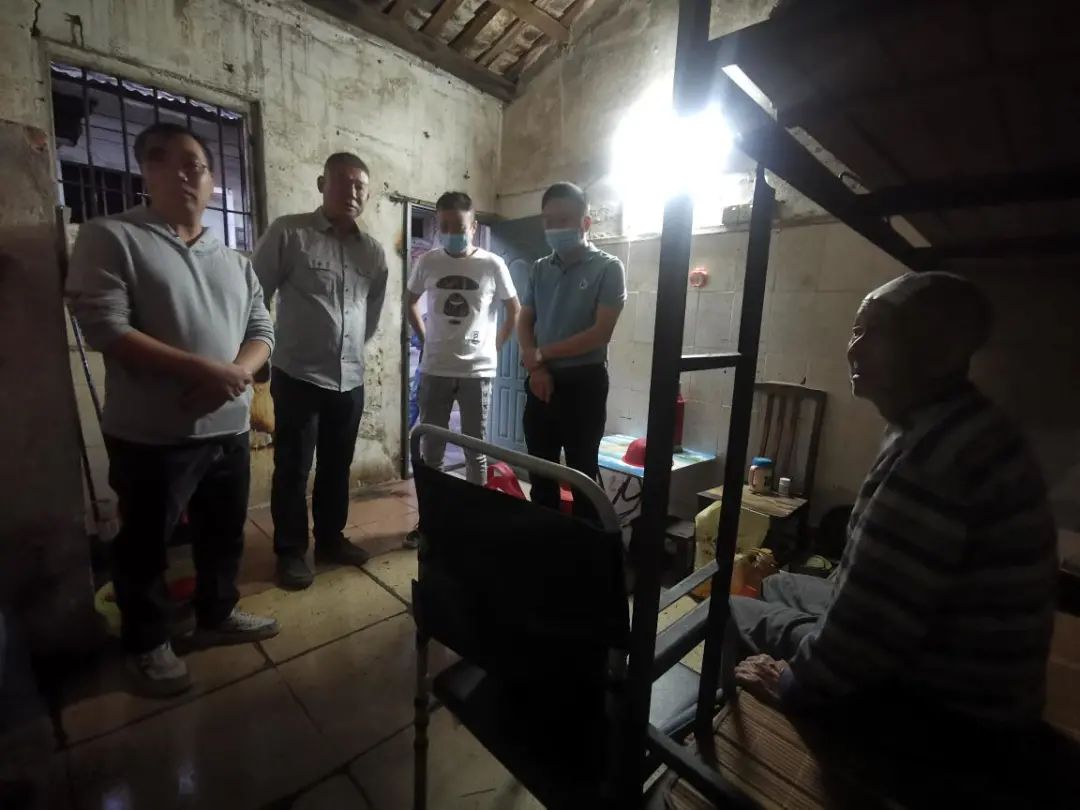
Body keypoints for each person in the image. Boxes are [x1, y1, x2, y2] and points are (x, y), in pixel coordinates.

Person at [731, 271, 1058, 732]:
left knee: (726, 608)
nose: (855, 349)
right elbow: (876, 596)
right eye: (857, 330)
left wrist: (791, 683)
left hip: (952, 707)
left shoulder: (933, 458)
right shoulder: (960, 422)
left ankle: (701, 745)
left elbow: (867, 635)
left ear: (940, 352)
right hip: (962, 663)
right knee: (775, 583)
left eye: (880, 332)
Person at [67, 122, 279, 697]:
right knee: (144, 546)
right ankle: (147, 642)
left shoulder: (233, 260)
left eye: (195, 164)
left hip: (228, 428)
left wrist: (234, 374)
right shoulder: (112, 237)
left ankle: (217, 614)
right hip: (151, 436)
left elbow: (262, 329)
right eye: (164, 160)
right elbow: (105, 328)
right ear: (146, 171)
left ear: (211, 180)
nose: (182, 173)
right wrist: (204, 372)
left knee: (223, 535)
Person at [253, 153, 389, 590]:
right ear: (321, 184)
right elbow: (254, 296)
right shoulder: (289, 233)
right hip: (298, 375)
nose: (352, 192)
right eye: (343, 182)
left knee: (337, 465)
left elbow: (371, 313)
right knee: (294, 467)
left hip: (350, 380)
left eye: (360, 186)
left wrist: (348, 350)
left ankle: (330, 539)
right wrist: (258, 356)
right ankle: (291, 551)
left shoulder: (372, 251)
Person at [517, 182, 626, 521]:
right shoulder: (539, 268)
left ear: (585, 223)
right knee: (541, 477)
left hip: (584, 384)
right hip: (541, 382)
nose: (554, 228)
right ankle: (546, 544)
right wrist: (536, 368)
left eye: (563, 220)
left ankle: (584, 550)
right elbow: (525, 319)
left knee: (582, 478)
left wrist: (541, 355)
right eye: (548, 221)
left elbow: (600, 333)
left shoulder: (608, 268)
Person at [407, 191, 520, 485]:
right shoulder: (428, 262)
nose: (450, 233)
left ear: (473, 227)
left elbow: (514, 309)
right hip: (435, 368)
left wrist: (495, 345)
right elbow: (409, 302)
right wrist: (424, 339)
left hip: (476, 372)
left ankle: (475, 511)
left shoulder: (492, 264)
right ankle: (432, 510)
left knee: (475, 452)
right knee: (432, 450)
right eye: (443, 226)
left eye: (458, 227)